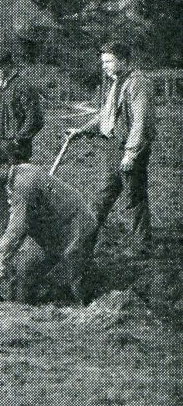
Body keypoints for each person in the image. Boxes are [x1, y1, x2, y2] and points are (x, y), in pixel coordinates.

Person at [0, 145, 98, 304]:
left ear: (4, 167)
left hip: (77, 226)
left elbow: (18, 226)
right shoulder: (17, 171)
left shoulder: (23, 185)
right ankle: (24, 310)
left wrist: (1, 253)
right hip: (53, 230)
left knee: (77, 277)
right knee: (27, 269)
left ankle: (90, 311)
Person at [69, 40, 154, 254]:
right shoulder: (116, 82)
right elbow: (105, 116)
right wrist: (82, 130)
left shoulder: (138, 83)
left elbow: (140, 122)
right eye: (103, 61)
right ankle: (83, 244)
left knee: (133, 197)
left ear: (123, 61)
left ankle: (142, 247)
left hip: (129, 149)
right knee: (102, 196)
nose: (104, 66)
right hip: (112, 147)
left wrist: (131, 154)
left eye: (108, 61)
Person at [0, 51, 45, 162]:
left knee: (12, 178)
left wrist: (17, 141)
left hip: (16, 150)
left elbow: (35, 119)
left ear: (8, 65)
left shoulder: (23, 87)